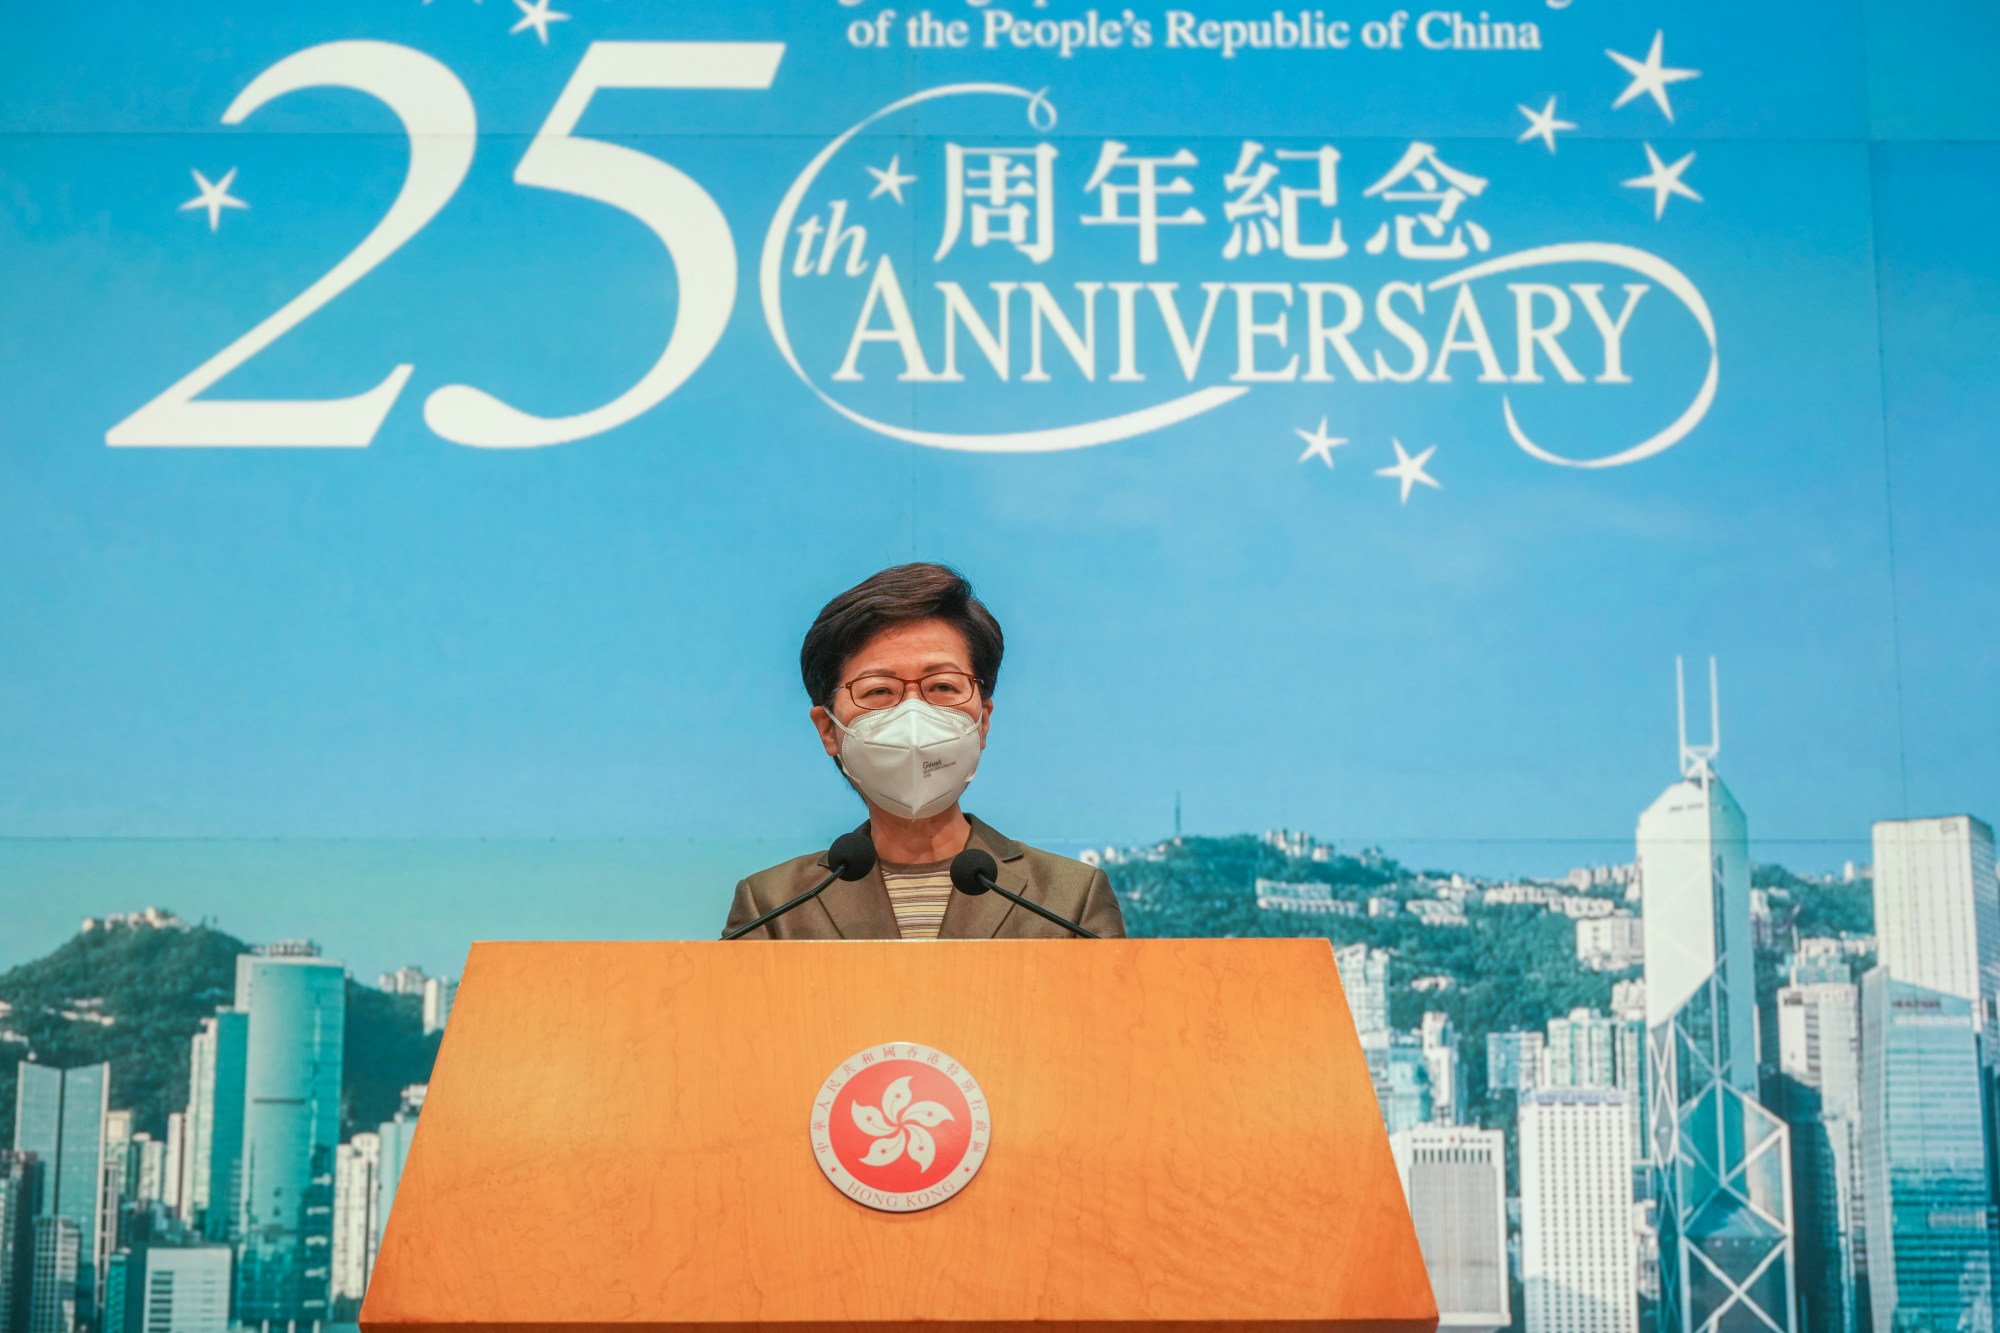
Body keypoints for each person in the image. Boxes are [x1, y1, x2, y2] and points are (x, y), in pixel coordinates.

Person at [722, 563, 1127, 940]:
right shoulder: (773, 906)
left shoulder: (1068, 898)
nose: (913, 717)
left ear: (982, 721)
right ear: (829, 729)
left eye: (943, 687)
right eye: (879, 691)